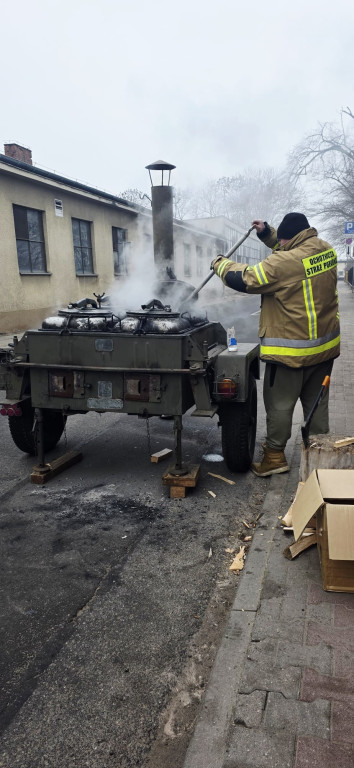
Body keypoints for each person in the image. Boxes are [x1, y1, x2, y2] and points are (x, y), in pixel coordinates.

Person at [212, 212, 340, 477]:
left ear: (288, 240)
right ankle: (319, 457)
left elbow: (247, 279)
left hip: (290, 354)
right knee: (317, 404)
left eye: (280, 241)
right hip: (324, 350)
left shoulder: (284, 262)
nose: (279, 246)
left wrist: (220, 264)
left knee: (280, 406)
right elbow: (294, 257)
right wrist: (266, 233)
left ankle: (274, 457)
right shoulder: (326, 250)